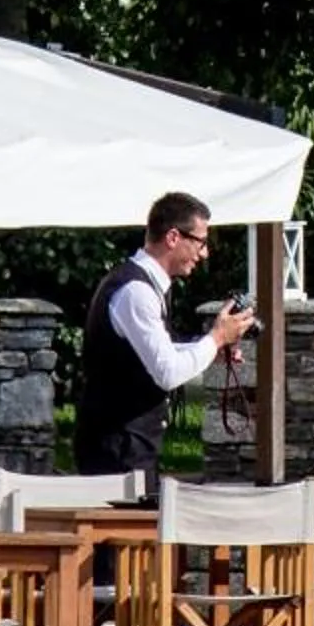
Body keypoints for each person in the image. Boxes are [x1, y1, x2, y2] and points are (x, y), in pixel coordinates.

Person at [75, 192, 256, 474]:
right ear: (173, 238)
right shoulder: (137, 292)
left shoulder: (145, 286)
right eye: (201, 242)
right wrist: (216, 338)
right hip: (117, 455)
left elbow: (155, 355)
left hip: (129, 451)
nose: (204, 253)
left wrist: (210, 351)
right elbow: (167, 372)